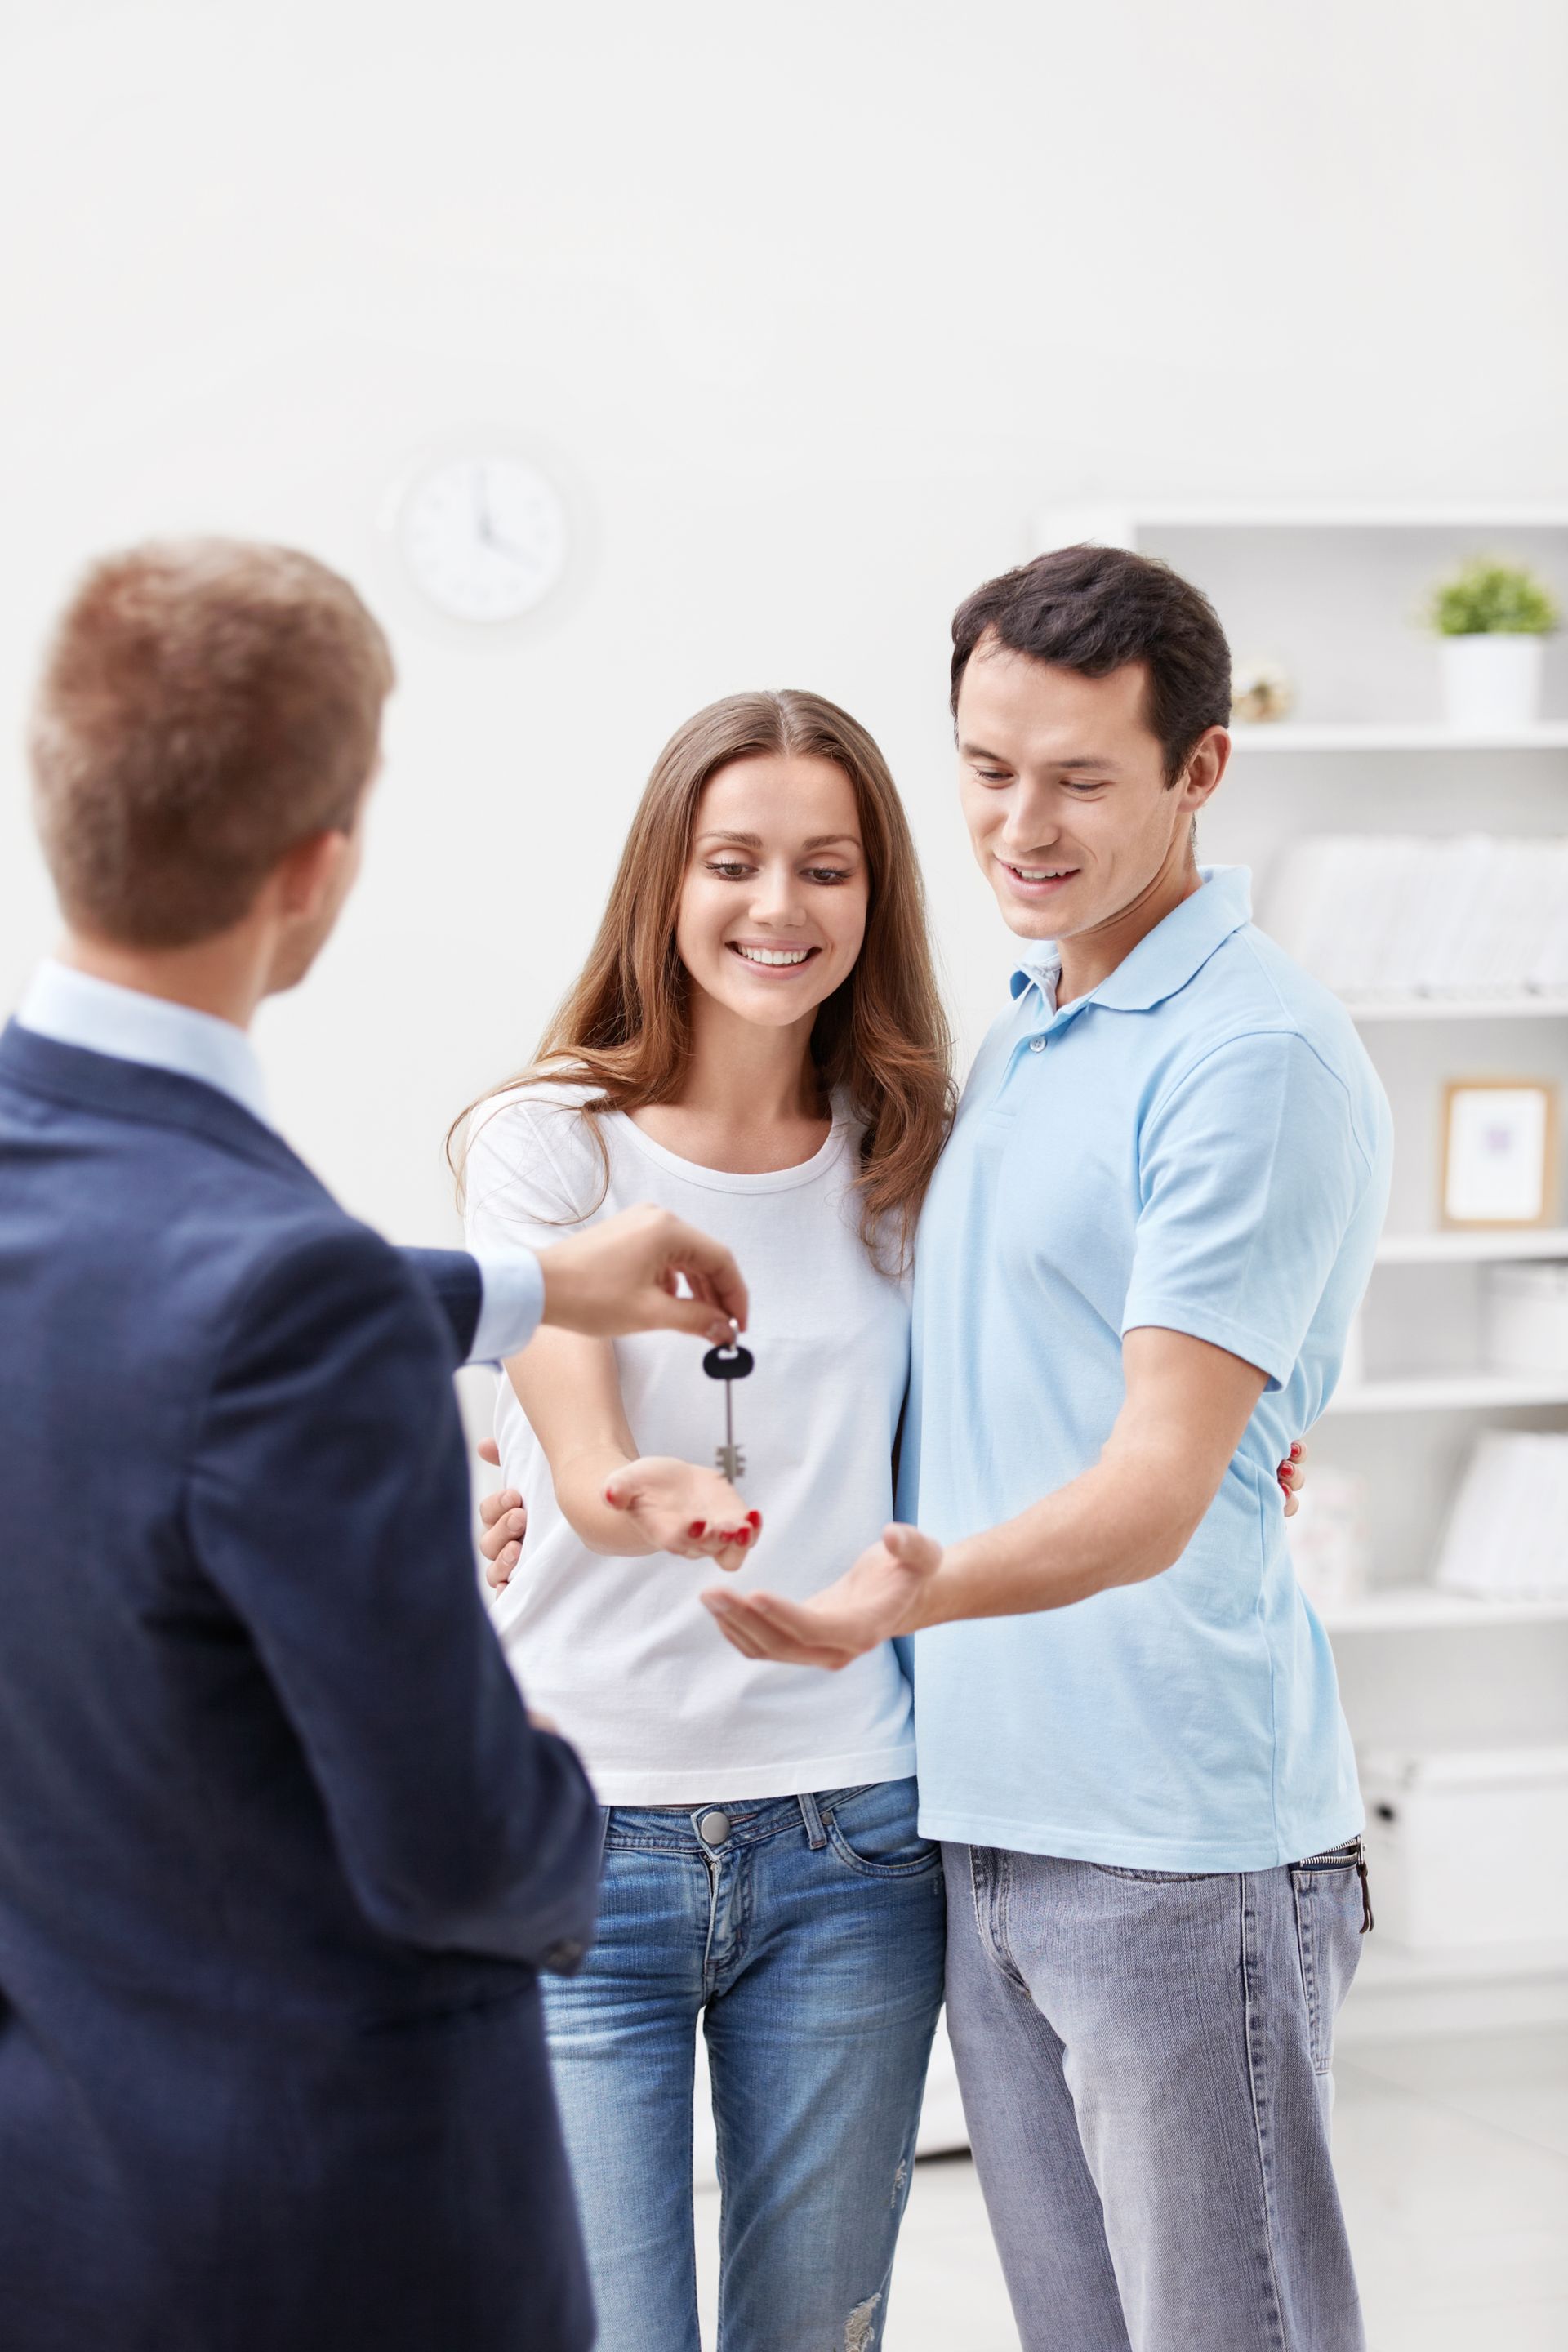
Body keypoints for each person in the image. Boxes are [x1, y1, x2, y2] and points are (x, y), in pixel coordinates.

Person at [465, 686, 1307, 2352]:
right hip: (577, 1835)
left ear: (875, 895)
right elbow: (575, 1448)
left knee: (817, 2333)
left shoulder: (911, 1153)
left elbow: (1067, 1358)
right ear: (667, 879)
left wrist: (1263, 1433)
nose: (779, 910)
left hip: (847, 1840)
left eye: (827, 869)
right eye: (734, 862)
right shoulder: (548, 1142)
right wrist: (637, 1500)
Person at [0, 539, 749, 2352]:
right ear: (315, 870)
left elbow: (141, 1307)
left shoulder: (151, 1233)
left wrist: (528, 1284)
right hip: (326, 2233)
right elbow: (457, 1854)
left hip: (66, 2199)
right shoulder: (292, 1306)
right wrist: (538, 1766)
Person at [705, 545, 1392, 2352]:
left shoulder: (1249, 1058)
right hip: (988, 1812)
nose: (1023, 823)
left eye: (1083, 778)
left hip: (1172, 1831)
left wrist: (915, 1589)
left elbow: (1159, 1486)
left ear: (1199, 772)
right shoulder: (1018, 1034)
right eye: (988, 768)